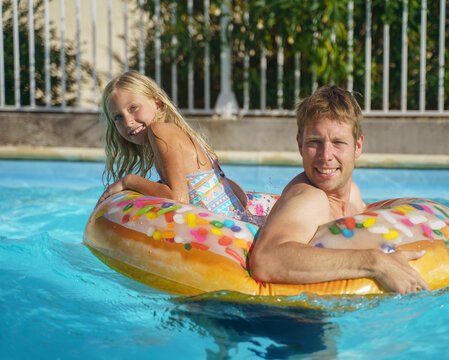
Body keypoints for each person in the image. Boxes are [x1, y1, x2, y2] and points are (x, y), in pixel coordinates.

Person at [249, 85, 429, 295]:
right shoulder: (310, 198)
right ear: (300, 144)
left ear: (358, 145)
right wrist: (375, 262)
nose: (325, 155)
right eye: (315, 142)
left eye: (338, 142)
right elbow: (266, 260)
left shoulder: (352, 193)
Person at [97, 70, 248, 218]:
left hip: (221, 230)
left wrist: (128, 181)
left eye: (133, 108)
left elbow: (178, 200)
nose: (128, 122)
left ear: (158, 104)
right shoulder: (179, 134)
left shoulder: (159, 131)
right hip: (236, 222)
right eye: (118, 117)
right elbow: (239, 196)